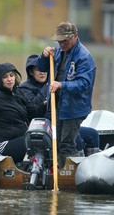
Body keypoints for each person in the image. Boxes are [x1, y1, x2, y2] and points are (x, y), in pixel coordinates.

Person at [36, 21, 97, 166]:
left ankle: (74, 174)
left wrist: (62, 85)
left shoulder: (84, 57)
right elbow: (42, 68)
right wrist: (44, 57)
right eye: (59, 40)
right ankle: (58, 171)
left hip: (74, 108)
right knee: (55, 142)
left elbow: (84, 84)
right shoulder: (58, 49)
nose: (62, 43)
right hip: (56, 104)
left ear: (75, 36)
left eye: (65, 40)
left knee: (66, 144)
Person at [20, 54, 100, 157]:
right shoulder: (24, 89)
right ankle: (72, 168)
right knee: (76, 139)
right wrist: (48, 85)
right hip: (42, 127)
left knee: (92, 134)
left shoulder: (57, 85)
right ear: (31, 72)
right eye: (38, 70)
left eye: (45, 69)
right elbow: (34, 108)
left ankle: (91, 167)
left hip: (61, 123)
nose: (42, 72)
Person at [0, 62, 46, 163]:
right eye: (5, 77)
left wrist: (47, 102)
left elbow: (34, 113)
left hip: (19, 141)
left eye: (11, 75)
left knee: (39, 139)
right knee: (29, 141)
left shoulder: (19, 93)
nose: (9, 79)